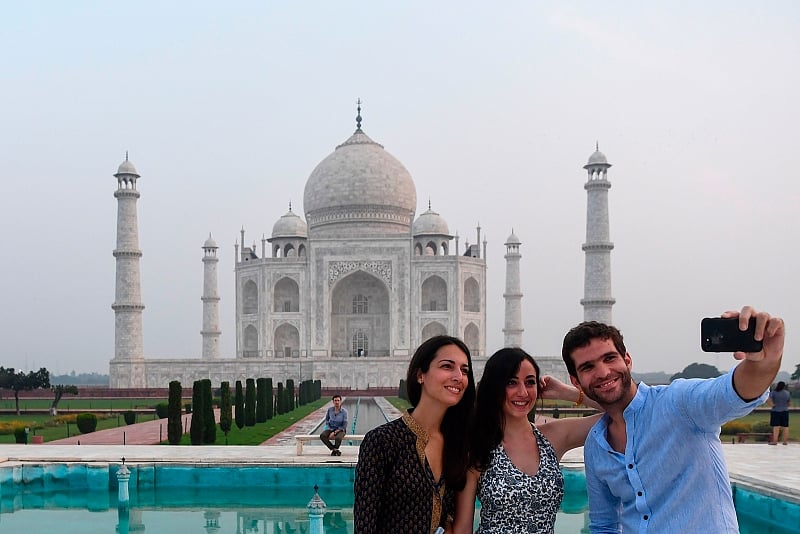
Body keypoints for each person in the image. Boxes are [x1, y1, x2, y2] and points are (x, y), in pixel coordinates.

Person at [561, 306, 784, 533]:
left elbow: (735, 392)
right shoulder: (596, 446)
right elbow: (603, 524)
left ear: (627, 360)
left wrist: (763, 362)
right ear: (576, 381)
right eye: (588, 367)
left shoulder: (678, 404)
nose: (603, 372)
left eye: (609, 358)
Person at [452, 348, 602, 534]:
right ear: (494, 387)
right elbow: (463, 528)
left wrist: (567, 392)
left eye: (530, 382)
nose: (523, 392)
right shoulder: (478, 446)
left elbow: (620, 411)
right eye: (511, 383)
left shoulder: (552, 438)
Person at [354, 335, 476, 534]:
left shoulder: (460, 444)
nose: (458, 376)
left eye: (464, 370)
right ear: (420, 375)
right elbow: (364, 527)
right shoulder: (382, 442)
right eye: (447, 366)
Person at [769, 381, 791, 445]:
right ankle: (785, 441)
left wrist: (772, 404)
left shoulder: (774, 392)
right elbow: (789, 403)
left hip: (775, 411)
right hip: (785, 411)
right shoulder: (787, 393)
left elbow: (768, 399)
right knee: (785, 427)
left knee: (776, 427)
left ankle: (775, 441)